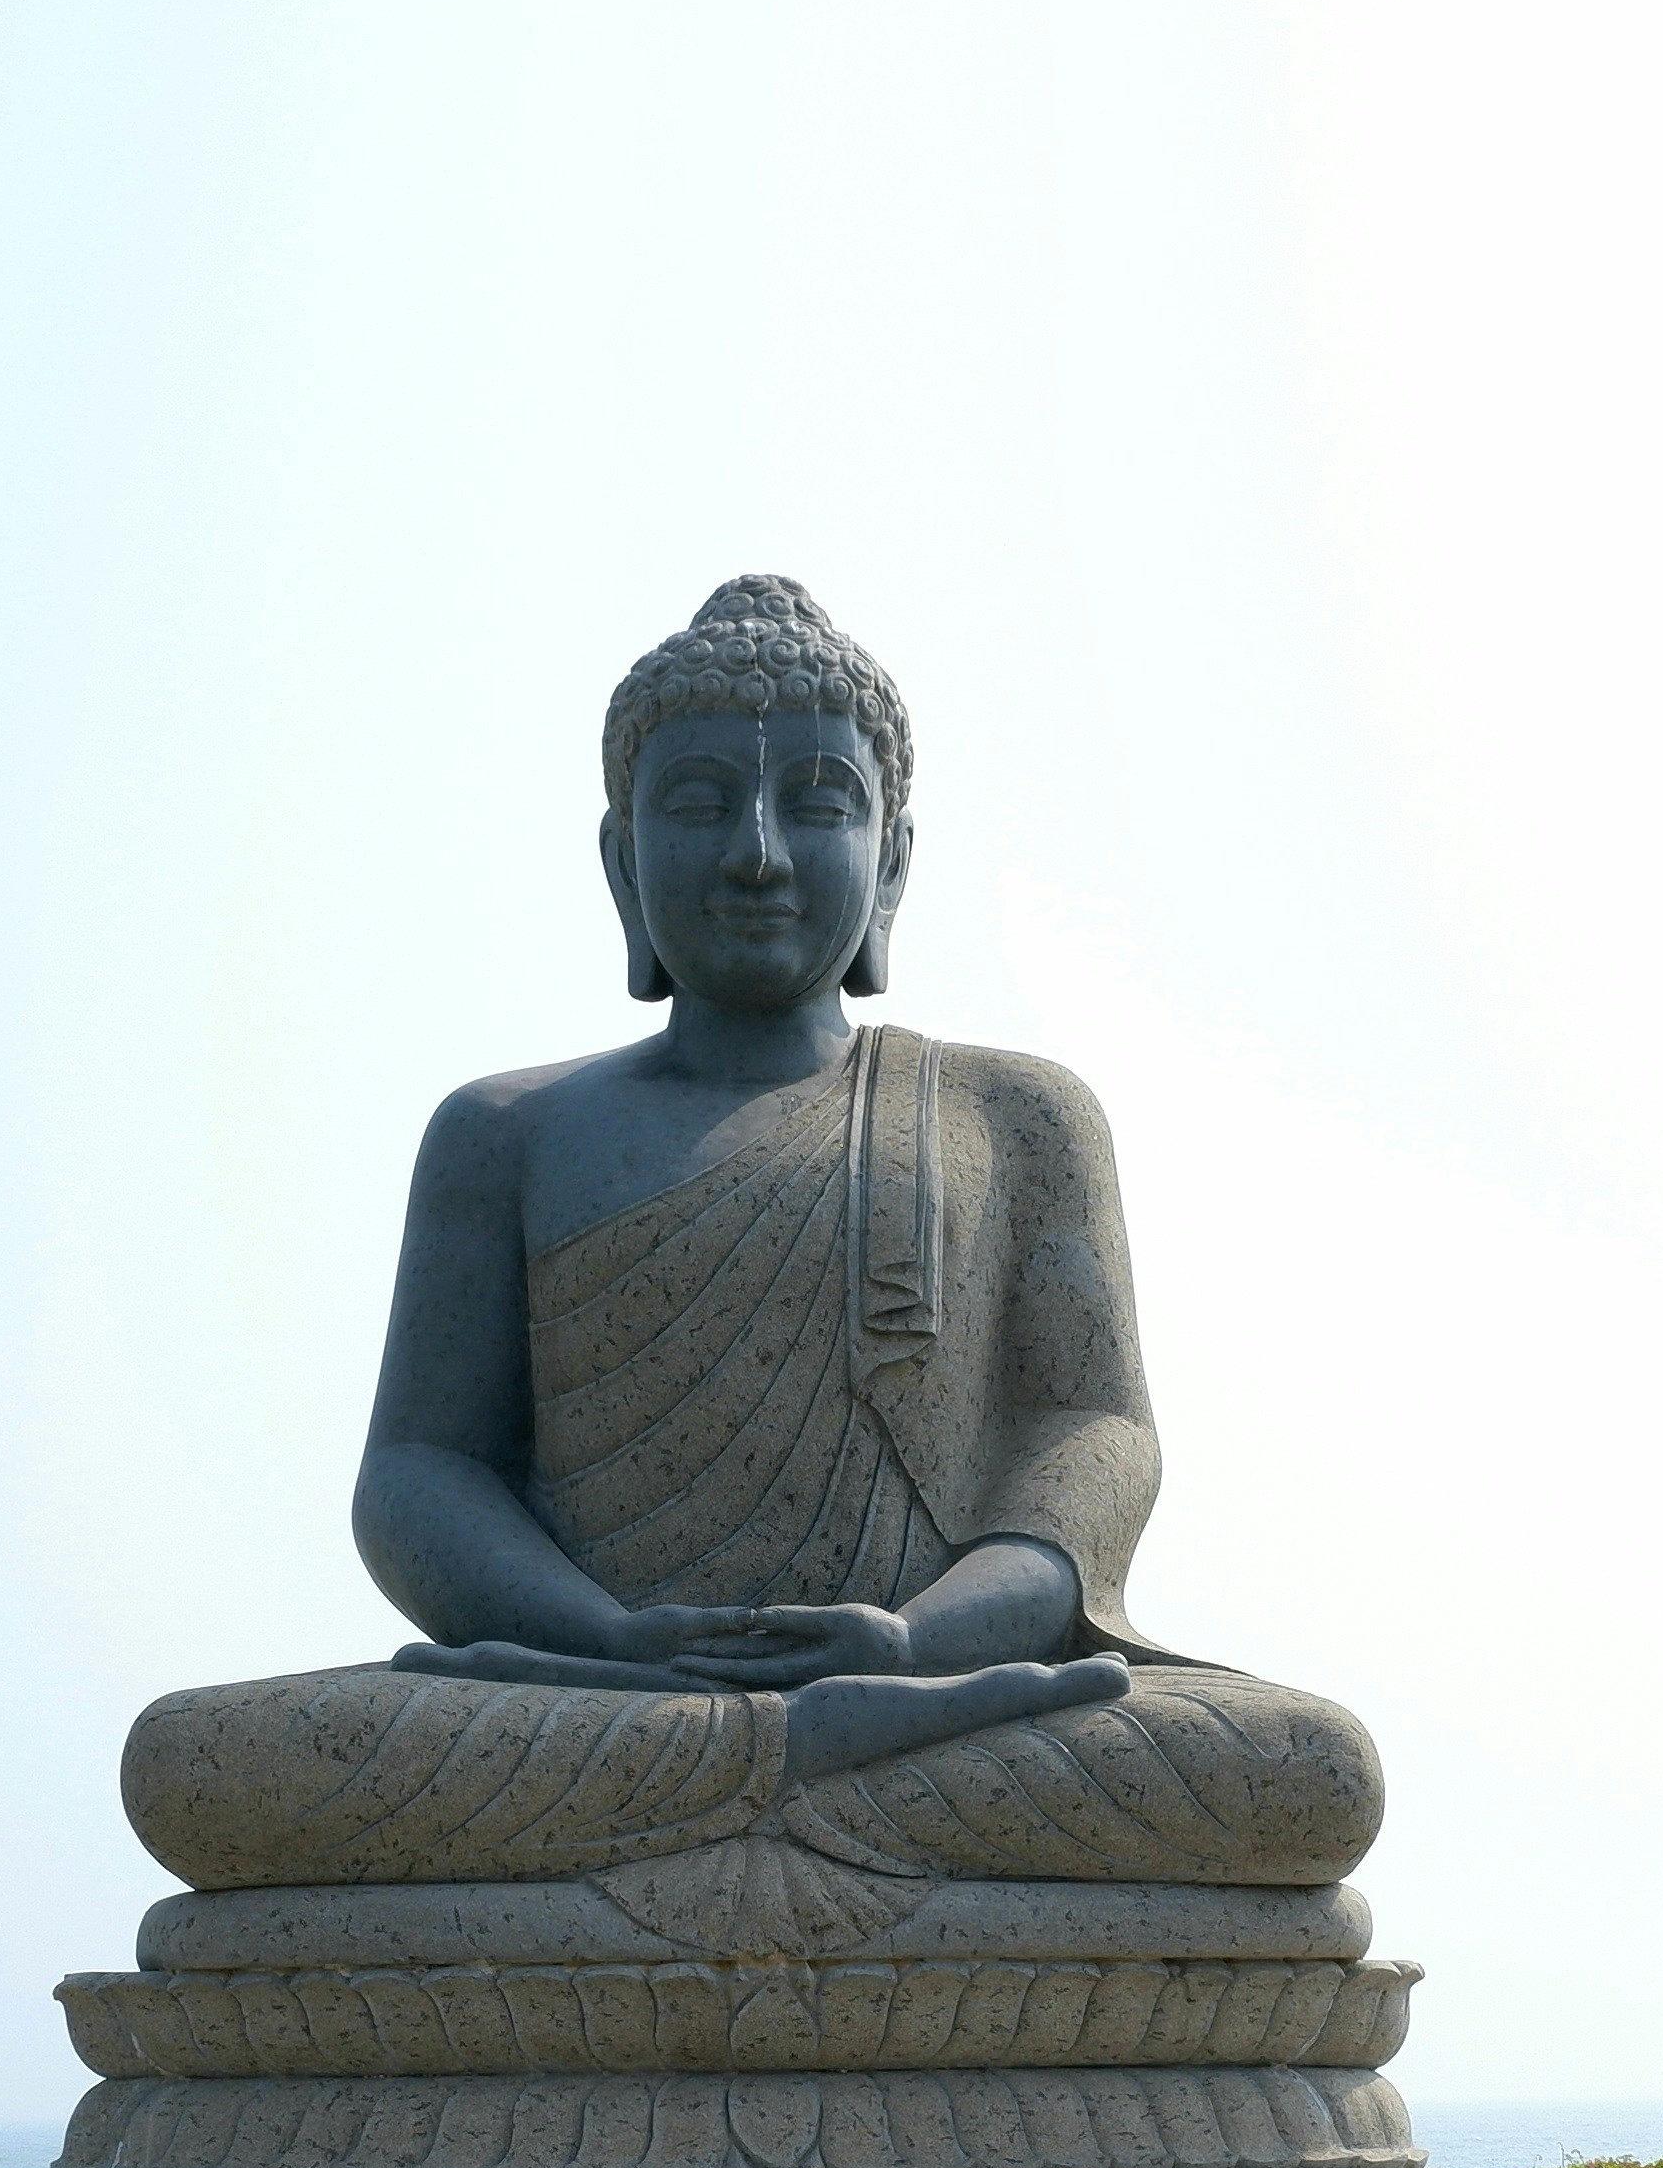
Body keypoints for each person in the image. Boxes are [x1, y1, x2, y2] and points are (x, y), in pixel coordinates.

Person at [111, 578, 1382, 1955]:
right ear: (620, 861)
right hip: (597, 1705)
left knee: (1301, 1774)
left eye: (821, 804)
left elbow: (1094, 1436)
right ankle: (788, 1788)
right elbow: (422, 1477)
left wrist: (922, 1644)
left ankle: (722, 1824)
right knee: (207, 1769)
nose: (760, 855)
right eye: (703, 804)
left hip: (935, 1702)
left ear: (892, 862)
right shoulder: (506, 1134)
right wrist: (607, 1644)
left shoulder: (1013, 1115)